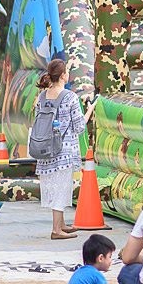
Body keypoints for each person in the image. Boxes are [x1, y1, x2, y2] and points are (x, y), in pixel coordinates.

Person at [35, 59, 97, 240]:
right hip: (64, 150)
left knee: (56, 186)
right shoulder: (69, 97)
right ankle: (56, 229)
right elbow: (78, 127)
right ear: (63, 75)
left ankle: (61, 224)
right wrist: (90, 110)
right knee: (62, 187)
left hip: (46, 148)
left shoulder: (42, 96)